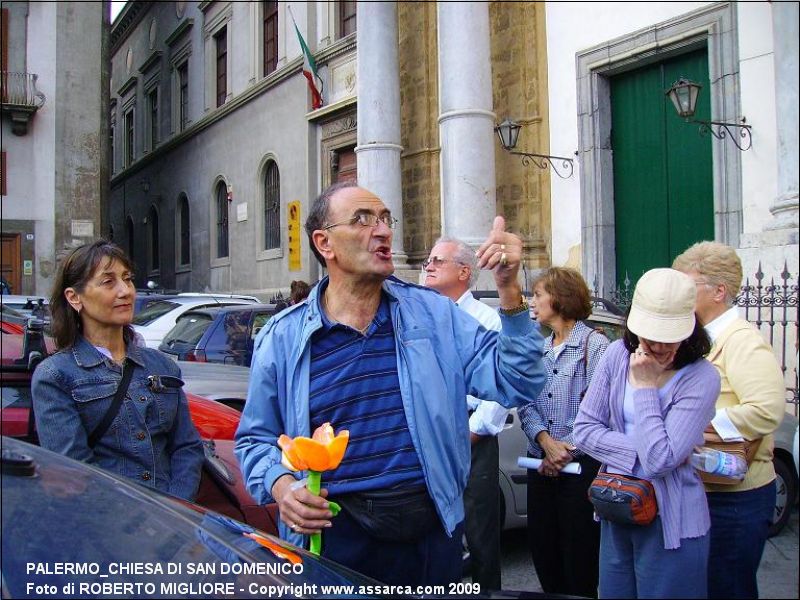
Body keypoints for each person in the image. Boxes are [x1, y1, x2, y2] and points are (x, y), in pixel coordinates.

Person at [235, 182, 546, 586]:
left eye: (385, 219)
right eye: (363, 220)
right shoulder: (282, 337)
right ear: (323, 242)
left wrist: (508, 289)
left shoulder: (435, 316)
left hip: (429, 535)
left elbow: (518, 381)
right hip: (332, 537)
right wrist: (281, 488)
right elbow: (255, 439)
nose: (382, 230)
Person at [573, 268, 721, 599]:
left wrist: (644, 389)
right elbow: (583, 430)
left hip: (673, 521)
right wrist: (640, 452)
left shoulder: (702, 377)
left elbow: (660, 461)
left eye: (669, 335)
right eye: (649, 334)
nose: (657, 345)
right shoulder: (616, 355)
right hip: (618, 505)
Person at [32, 240, 204, 501]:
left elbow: (187, 448)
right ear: (74, 297)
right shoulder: (56, 376)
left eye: (127, 279)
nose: (125, 291)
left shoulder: (162, 366)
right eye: (108, 282)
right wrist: (136, 519)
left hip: (172, 524)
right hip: (105, 529)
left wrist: (176, 506)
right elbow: (73, 472)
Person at [673, 241, 785, 599]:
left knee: (728, 586)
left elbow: (767, 409)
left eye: (689, 287)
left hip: (737, 497)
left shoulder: (741, 341)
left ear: (719, 291)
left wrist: (700, 423)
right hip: (703, 487)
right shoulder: (698, 340)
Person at [518, 267, 609, 598]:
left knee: (580, 559)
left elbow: (601, 411)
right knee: (544, 552)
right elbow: (525, 403)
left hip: (580, 470)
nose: (532, 300)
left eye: (539, 294)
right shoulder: (538, 349)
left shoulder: (595, 346)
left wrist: (565, 450)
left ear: (560, 298)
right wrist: (545, 442)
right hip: (540, 464)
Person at [423, 236, 506, 590]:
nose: (428, 265)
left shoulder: (487, 319)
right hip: (432, 442)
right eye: (428, 259)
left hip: (473, 441)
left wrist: (467, 433)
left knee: (480, 535)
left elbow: (499, 393)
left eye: (437, 260)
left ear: (463, 272)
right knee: (436, 536)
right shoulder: (421, 317)